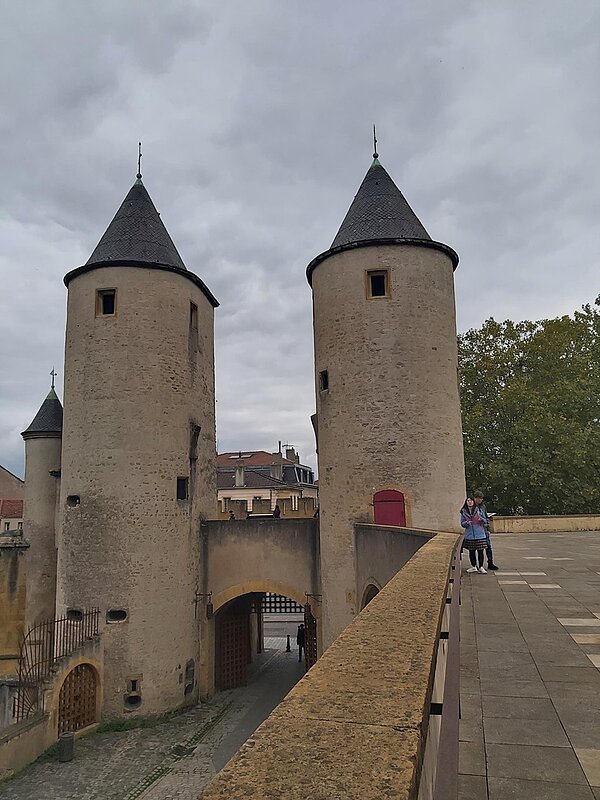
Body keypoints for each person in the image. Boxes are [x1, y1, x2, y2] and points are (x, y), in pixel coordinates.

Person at [460, 496, 488, 574]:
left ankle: (481, 567)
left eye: (471, 500)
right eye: (468, 500)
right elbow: (462, 523)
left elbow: (485, 521)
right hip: (470, 535)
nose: (470, 502)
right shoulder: (463, 512)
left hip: (479, 534)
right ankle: (473, 566)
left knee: (480, 551)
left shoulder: (478, 510)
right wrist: (466, 523)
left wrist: (481, 520)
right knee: (471, 551)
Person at [474, 491, 498, 570]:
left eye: (481, 498)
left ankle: (490, 563)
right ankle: (477, 565)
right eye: (478, 498)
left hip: (485, 528)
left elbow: (485, 516)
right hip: (477, 529)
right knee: (478, 548)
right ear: (475, 498)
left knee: (488, 546)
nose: (480, 500)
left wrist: (487, 525)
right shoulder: (473, 507)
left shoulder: (483, 506)